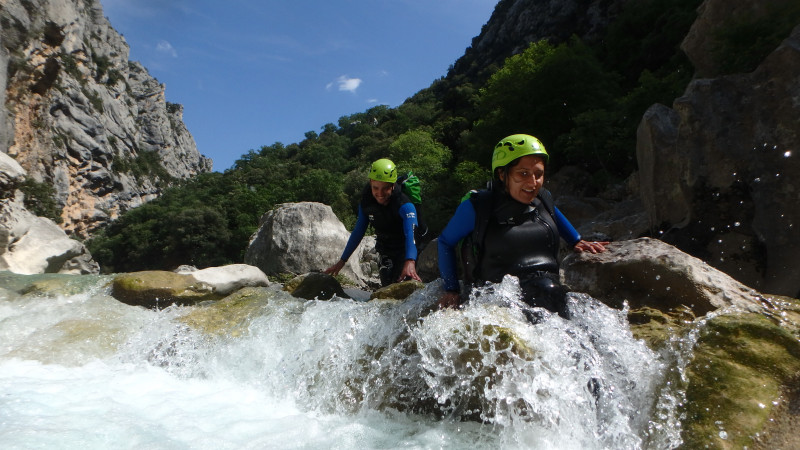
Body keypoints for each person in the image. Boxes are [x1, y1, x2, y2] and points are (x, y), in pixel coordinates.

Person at [437, 134, 608, 316]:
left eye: (538, 174)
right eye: (523, 173)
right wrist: (451, 289)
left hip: (547, 288)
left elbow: (555, 216)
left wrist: (576, 240)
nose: (533, 183)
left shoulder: (543, 199)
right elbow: (445, 242)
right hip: (497, 299)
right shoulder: (477, 207)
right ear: (502, 174)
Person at [324, 158, 423, 286]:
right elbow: (358, 231)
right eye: (375, 188)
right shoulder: (367, 202)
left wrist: (410, 261)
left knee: (406, 284)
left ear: (393, 186)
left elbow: (412, 233)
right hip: (386, 248)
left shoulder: (404, 204)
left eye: (385, 188)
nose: (380, 194)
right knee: (387, 284)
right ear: (370, 183)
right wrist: (342, 261)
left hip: (408, 247)